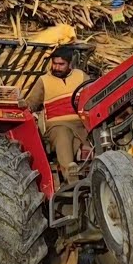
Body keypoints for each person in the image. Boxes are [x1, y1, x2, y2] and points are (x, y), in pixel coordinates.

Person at [24, 47, 89, 185]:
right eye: (55, 63)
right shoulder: (43, 81)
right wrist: (22, 104)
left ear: (70, 64)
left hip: (81, 126)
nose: (57, 67)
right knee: (62, 134)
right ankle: (70, 173)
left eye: (61, 64)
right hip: (55, 127)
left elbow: (92, 96)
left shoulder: (81, 76)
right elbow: (32, 103)